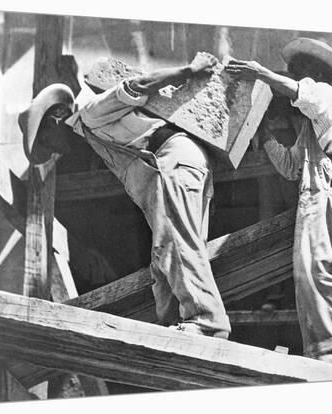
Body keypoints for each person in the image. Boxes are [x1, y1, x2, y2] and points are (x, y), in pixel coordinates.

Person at [23, 52, 231, 339]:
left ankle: (206, 321)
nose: (55, 150)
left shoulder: (91, 114)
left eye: (48, 141)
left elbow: (139, 85)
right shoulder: (90, 136)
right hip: (175, 168)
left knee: (175, 243)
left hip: (172, 162)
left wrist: (189, 70)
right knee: (163, 258)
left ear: (56, 119)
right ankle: (175, 327)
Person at [225, 38, 332, 368]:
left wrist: (262, 73)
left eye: (298, 67)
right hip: (314, 196)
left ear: (314, 70)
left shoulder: (326, 95)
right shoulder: (310, 126)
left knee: (321, 269)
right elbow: (293, 166)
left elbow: (302, 93)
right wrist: (265, 137)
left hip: (328, 196)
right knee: (308, 274)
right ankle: (326, 349)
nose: (293, 72)